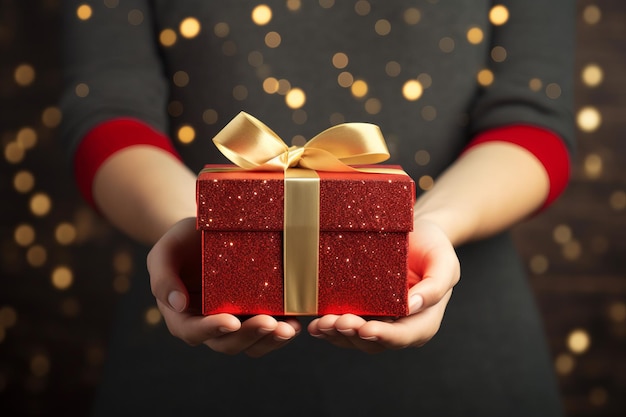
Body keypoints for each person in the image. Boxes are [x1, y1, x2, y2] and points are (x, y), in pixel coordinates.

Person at [60, 1, 575, 416]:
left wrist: (424, 229)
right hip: (187, 350)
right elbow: (108, 117)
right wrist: (197, 231)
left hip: (467, 366)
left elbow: (533, 122)